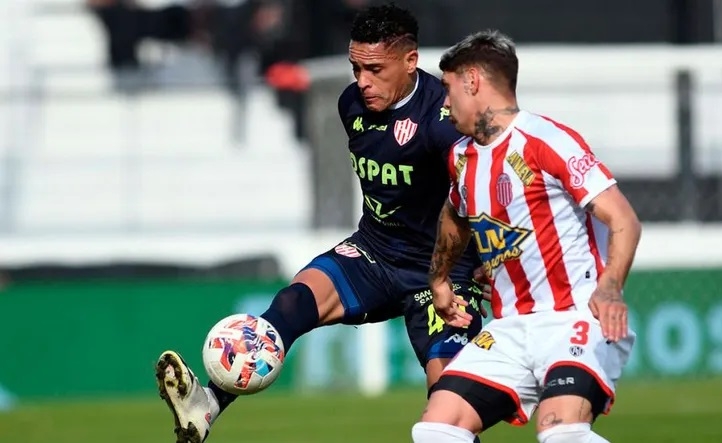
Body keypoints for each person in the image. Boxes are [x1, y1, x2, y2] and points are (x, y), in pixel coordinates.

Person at [154, 5, 488, 443]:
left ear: (410, 61)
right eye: (356, 68)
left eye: (374, 69)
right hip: (374, 251)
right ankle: (208, 404)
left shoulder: (445, 118)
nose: (362, 81)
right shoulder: (351, 105)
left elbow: (484, 192)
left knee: (448, 410)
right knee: (291, 303)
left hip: (443, 270)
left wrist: (492, 256)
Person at [411, 30, 641, 443]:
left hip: (575, 318)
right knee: (436, 429)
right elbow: (455, 214)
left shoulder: (548, 141)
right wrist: (439, 278)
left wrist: (610, 288)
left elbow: (623, 218)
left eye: (448, 88)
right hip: (510, 329)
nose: (444, 104)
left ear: (472, 81)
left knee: (561, 433)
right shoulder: (461, 157)